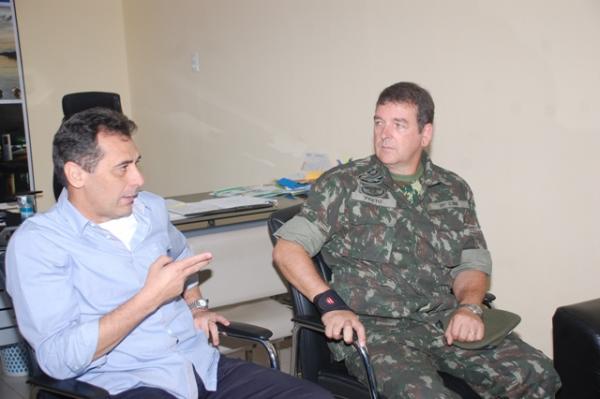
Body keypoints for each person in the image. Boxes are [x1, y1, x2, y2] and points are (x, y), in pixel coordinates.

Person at [6, 107, 332, 399]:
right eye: (122, 168)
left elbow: (181, 255)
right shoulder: (38, 244)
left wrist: (197, 306)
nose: (139, 179)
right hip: (124, 382)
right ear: (76, 174)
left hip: (200, 366)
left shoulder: (150, 208)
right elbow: (58, 359)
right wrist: (149, 298)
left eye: (137, 163)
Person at [272, 82, 561, 398]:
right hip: (377, 330)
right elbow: (288, 250)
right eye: (379, 122)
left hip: (443, 321)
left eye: (399, 125)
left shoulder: (452, 189)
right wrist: (330, 304)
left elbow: (471, 262)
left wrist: (470, 307)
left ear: (425, 134)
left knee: (537, 373)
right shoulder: (343, 185)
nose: (384, 133)